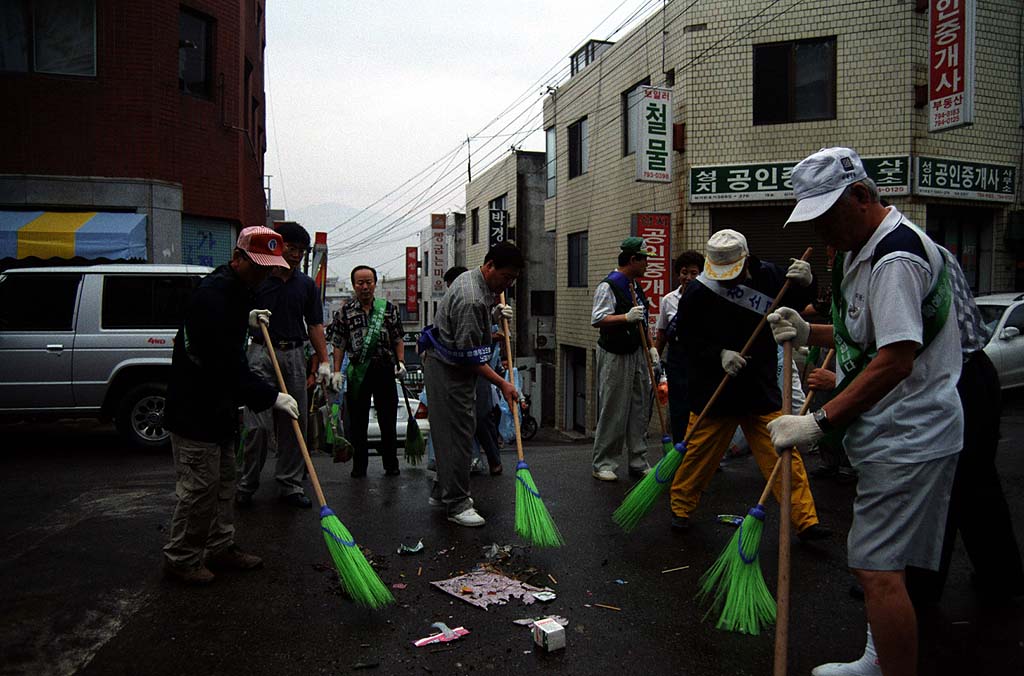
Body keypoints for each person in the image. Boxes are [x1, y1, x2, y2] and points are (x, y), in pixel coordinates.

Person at [766, 147, 963, 676]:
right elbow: (865, 333)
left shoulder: (895, 258)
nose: (822, 230)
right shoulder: (863, 248)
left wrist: (818, 422)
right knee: (887, 565)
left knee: (876, 569)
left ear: (859, 195)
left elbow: (896, 359)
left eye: (827, 216)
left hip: (908, 433)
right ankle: (879, 658)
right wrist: (810, 331)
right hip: (894, 431)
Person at [666, 229, 828, 541]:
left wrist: (809, 282)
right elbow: (685, 338)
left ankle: (805, 520)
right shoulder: (698, 291)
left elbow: (798, 302)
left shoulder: (769, 275)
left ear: (746, 260)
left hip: (759, 385)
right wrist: (719, 354)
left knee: (782, 453)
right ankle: (681, 508)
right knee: (698, 456)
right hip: (715, 388)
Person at [162, 226, 299, 584]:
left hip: (219, 409)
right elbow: (225, 366)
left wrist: (247, 318)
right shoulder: (213, 295)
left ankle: (219, 546)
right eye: (258, 266)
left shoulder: (238, 289)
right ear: (238, 258)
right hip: (195, 409)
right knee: (199, 489)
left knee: (224, 483)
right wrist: (271, 397)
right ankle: (182, 558)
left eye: (269, 268)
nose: (263, 274)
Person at [419, 242, 522, 527]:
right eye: (506, 277)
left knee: (451, 432)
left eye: (513, 279)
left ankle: (442, 491)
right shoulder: (472, 298)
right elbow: (470, 357)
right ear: (490, 266)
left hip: (450, 363)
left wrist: (494, 316)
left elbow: (473, 330)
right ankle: (457, 503)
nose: (508, 284)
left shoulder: (475, 281)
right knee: (458, 435)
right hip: (450, 368)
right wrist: (503, 384)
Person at [235, 222, 328, 509]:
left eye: (301, 251)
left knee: (294, 422)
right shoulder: (260, 277)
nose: (296, 255)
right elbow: (237, 313)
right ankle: (246, 484)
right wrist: (249, 317)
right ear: (278, 246)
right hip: (261, 351)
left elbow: (314, 324)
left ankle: (290, 484)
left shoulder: (306, 285)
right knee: (258, 426)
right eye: (291, 248)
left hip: (294, 354)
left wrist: (324, 361)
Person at [590, 236, 657, 482]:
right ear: (633, 259)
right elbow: (598, 318)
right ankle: (603, 463)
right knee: (614, 408)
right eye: (644, 260)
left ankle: (638, 460)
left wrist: (651, 348)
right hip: (615, 353)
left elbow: (643, 320)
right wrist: (625, 317)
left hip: (636, 352)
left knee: (639, 407)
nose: (647, 265)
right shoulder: (610, 285)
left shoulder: (635, 286)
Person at [330, 265, 405, 478]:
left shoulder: (387, 309)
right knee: (358, 421)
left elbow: (398, 337)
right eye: (360, 283)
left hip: (384, 370)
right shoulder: (344, 312)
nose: (365, 287)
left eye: (368, 282)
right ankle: (359, 466)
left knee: (388, 420)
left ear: (375, 283)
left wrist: (400, 362)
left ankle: (391, 464)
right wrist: (337, 371)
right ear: (354, 285)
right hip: (358, 372)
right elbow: (338, 343)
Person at [654, 250, 704, 445]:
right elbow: (661, 334)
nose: (688, 277)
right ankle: (679, 449)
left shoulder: (707, 297)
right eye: (684, 272)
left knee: (700, 405)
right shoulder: (669, 300)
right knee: (678, 407)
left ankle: (699, 450)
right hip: (677, 359)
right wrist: (654, 360)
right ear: (678, 274)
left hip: (701, 358)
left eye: (694, 273)